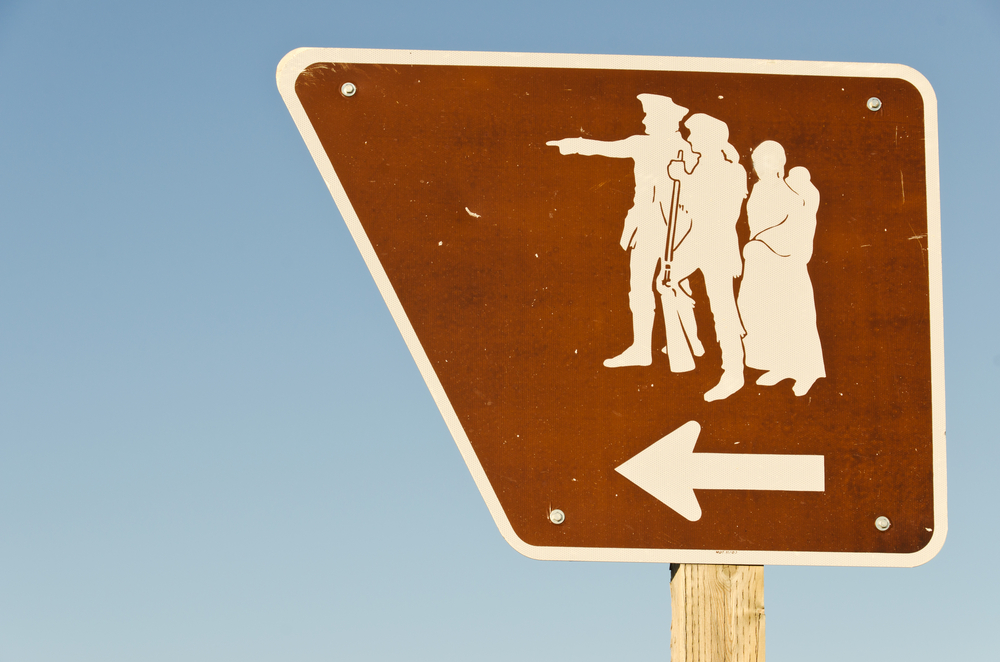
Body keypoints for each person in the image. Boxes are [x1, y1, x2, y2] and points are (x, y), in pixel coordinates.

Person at [547, 94, 697, 368]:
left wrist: (685, 175)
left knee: (674, 287)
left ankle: (687, 342)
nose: (644, 120)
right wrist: (572, 144)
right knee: (639, 288)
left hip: (678, 229)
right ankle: (642, 349)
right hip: (647, 226)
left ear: (666, 120)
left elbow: (704, 189)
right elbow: (605, 148)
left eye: (649, 116)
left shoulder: (688, 150)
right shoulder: (641, 143)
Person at [664, 113, 749, 401]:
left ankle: (733, 373)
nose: (689, 139)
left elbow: (722, 212)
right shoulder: (699, 166)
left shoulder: (732, 170)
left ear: (711, 137)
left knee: (722, 309)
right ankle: (688, 342)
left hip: (718, 242)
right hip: (697, 240)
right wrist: (685, 176)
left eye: (694, 135)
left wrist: (683, 179)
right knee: (665, 281)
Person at [738, 142, 825, 396]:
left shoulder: (793, 189)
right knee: (763, 313)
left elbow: (800, 220)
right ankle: (779, 364)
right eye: (756, 162)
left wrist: (766, 243)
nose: (760, 168)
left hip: (784, 259)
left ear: (779, 162)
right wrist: (754, 247)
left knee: (792, 312)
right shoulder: (757, 188)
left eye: (766, 161)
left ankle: (806, 370)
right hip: (759, 260)